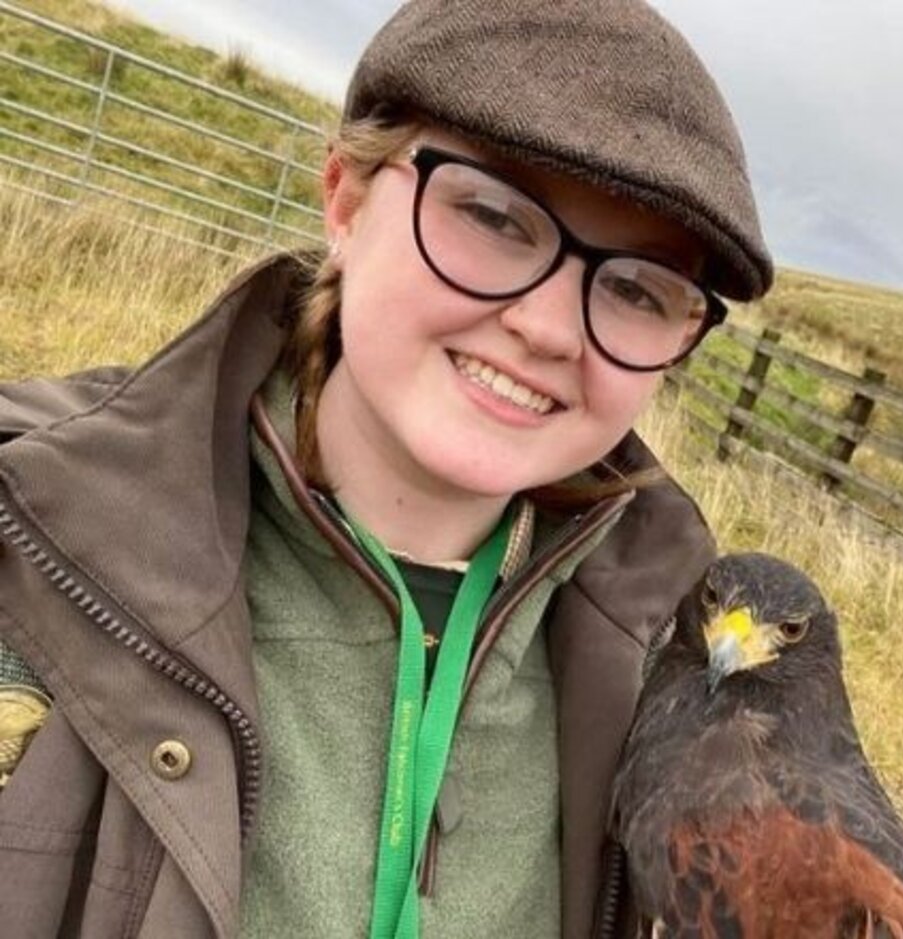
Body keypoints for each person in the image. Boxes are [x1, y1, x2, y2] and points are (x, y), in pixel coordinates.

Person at [0, 1, 771, 935]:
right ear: (346, 200)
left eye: (639, 289)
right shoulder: (31, 523)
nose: (548, 328)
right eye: (494, 217)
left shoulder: (687, 679)